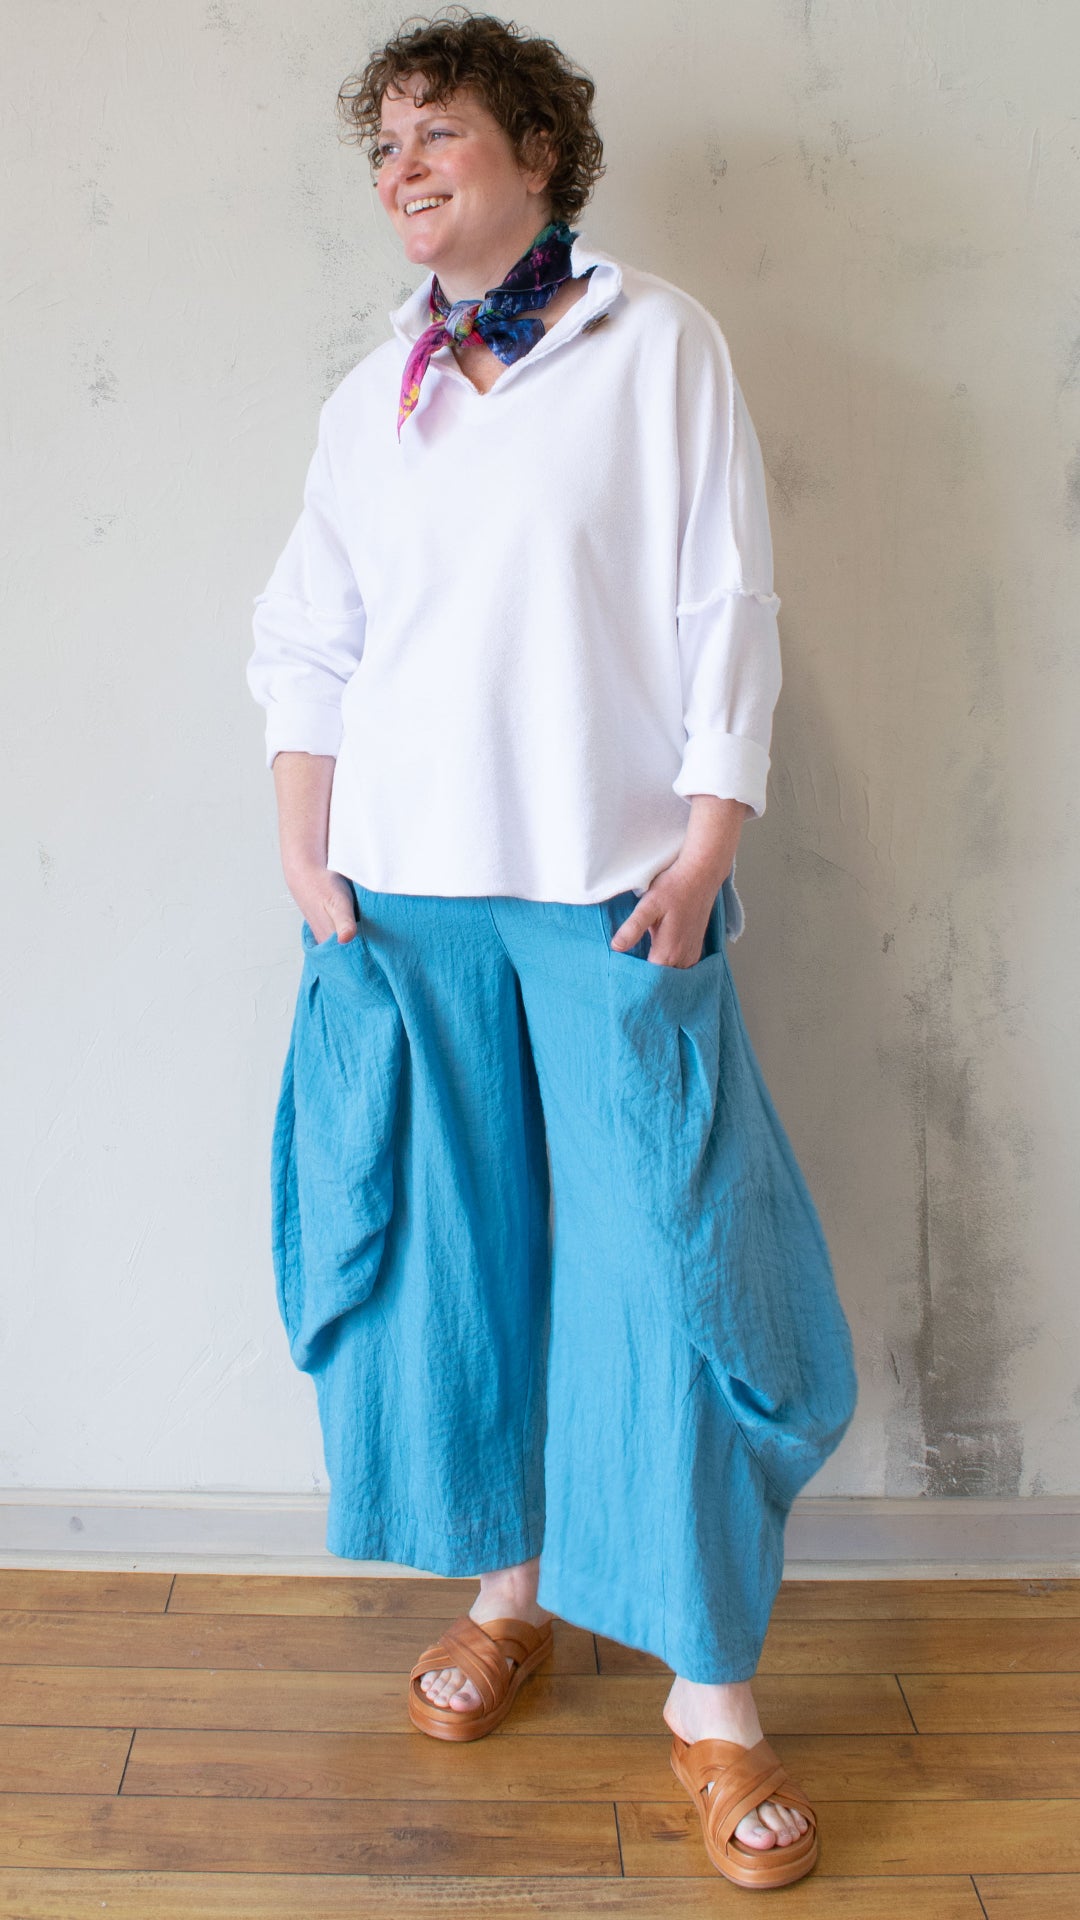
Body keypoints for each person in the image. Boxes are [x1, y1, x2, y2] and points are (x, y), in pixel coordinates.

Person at [246, 7, 858, 1891]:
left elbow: (724, 595)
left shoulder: (653, 340)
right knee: (455, 1256)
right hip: (403, 897)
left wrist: (711, 833)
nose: (402, 169)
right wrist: (305, 844)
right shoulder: (377, 394)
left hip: (611, 883)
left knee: (673, 1265)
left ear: (535, 151)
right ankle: (505, 1595)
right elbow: (310, 636)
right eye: (383, 146)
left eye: (437, 133)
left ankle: (710, 1699)